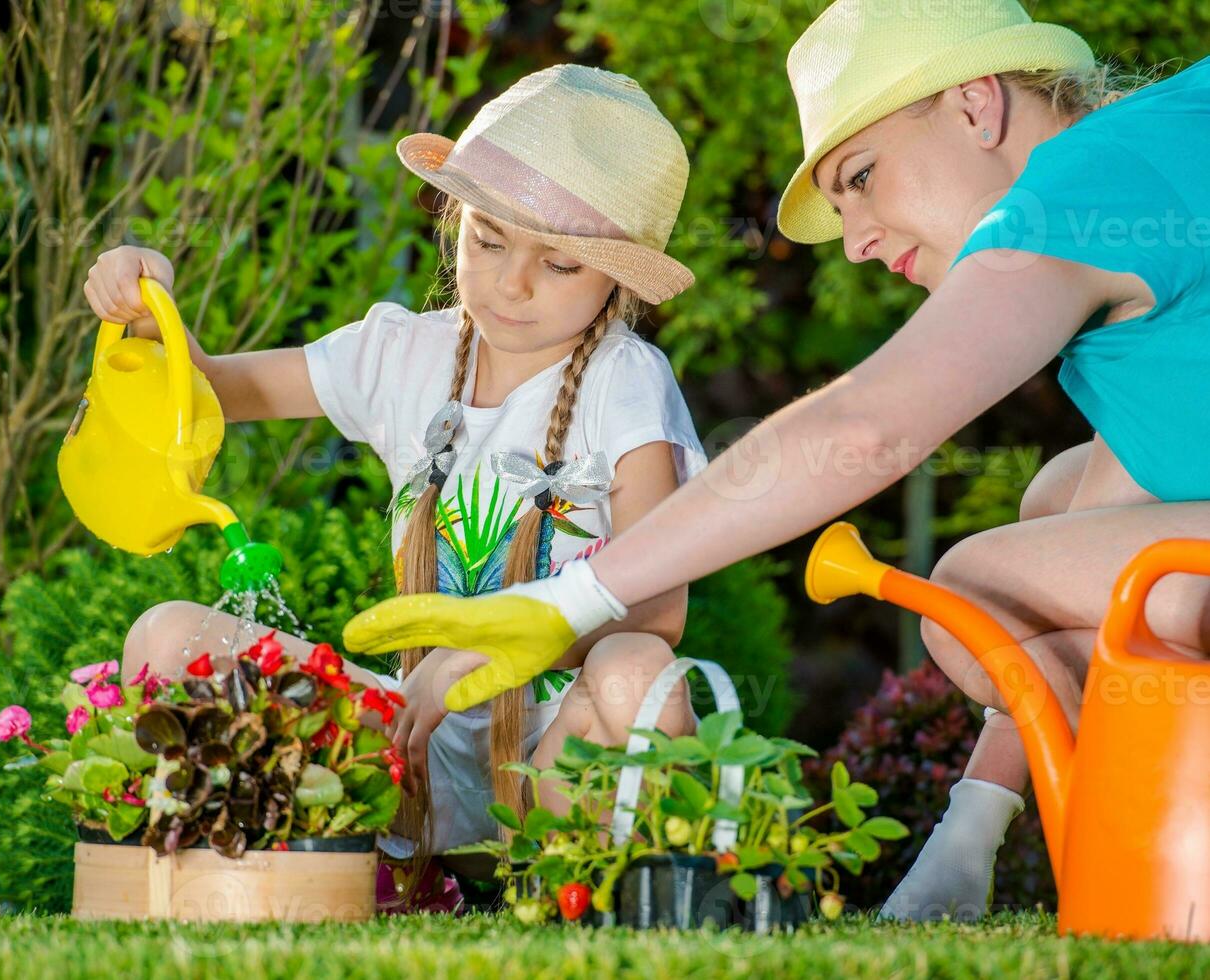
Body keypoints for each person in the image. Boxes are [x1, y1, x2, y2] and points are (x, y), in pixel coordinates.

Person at [342, 1, 1210, 921]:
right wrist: (967, 834)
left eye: (863, 178)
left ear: (975, 107)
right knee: (1057, 505)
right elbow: (1088, 543)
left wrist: (568, 600)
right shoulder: (1153, 180)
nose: (862, 239)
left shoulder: (1081, 182)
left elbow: (868, 427)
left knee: (971, 595)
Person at [87, 64, 706, 905]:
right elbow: (203, 386)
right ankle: (293, 886)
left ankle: (591, 899)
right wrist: (143, 299)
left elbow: (657, 607)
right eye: (487, 240)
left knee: (634, 667)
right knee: (168, 639)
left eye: (558, 263)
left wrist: (481, 652)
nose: (511, 283)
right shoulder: (403, 354)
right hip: (407, 739)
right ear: (455, 221)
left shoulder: (625, 380)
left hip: (554, 758)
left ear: (617, 278)